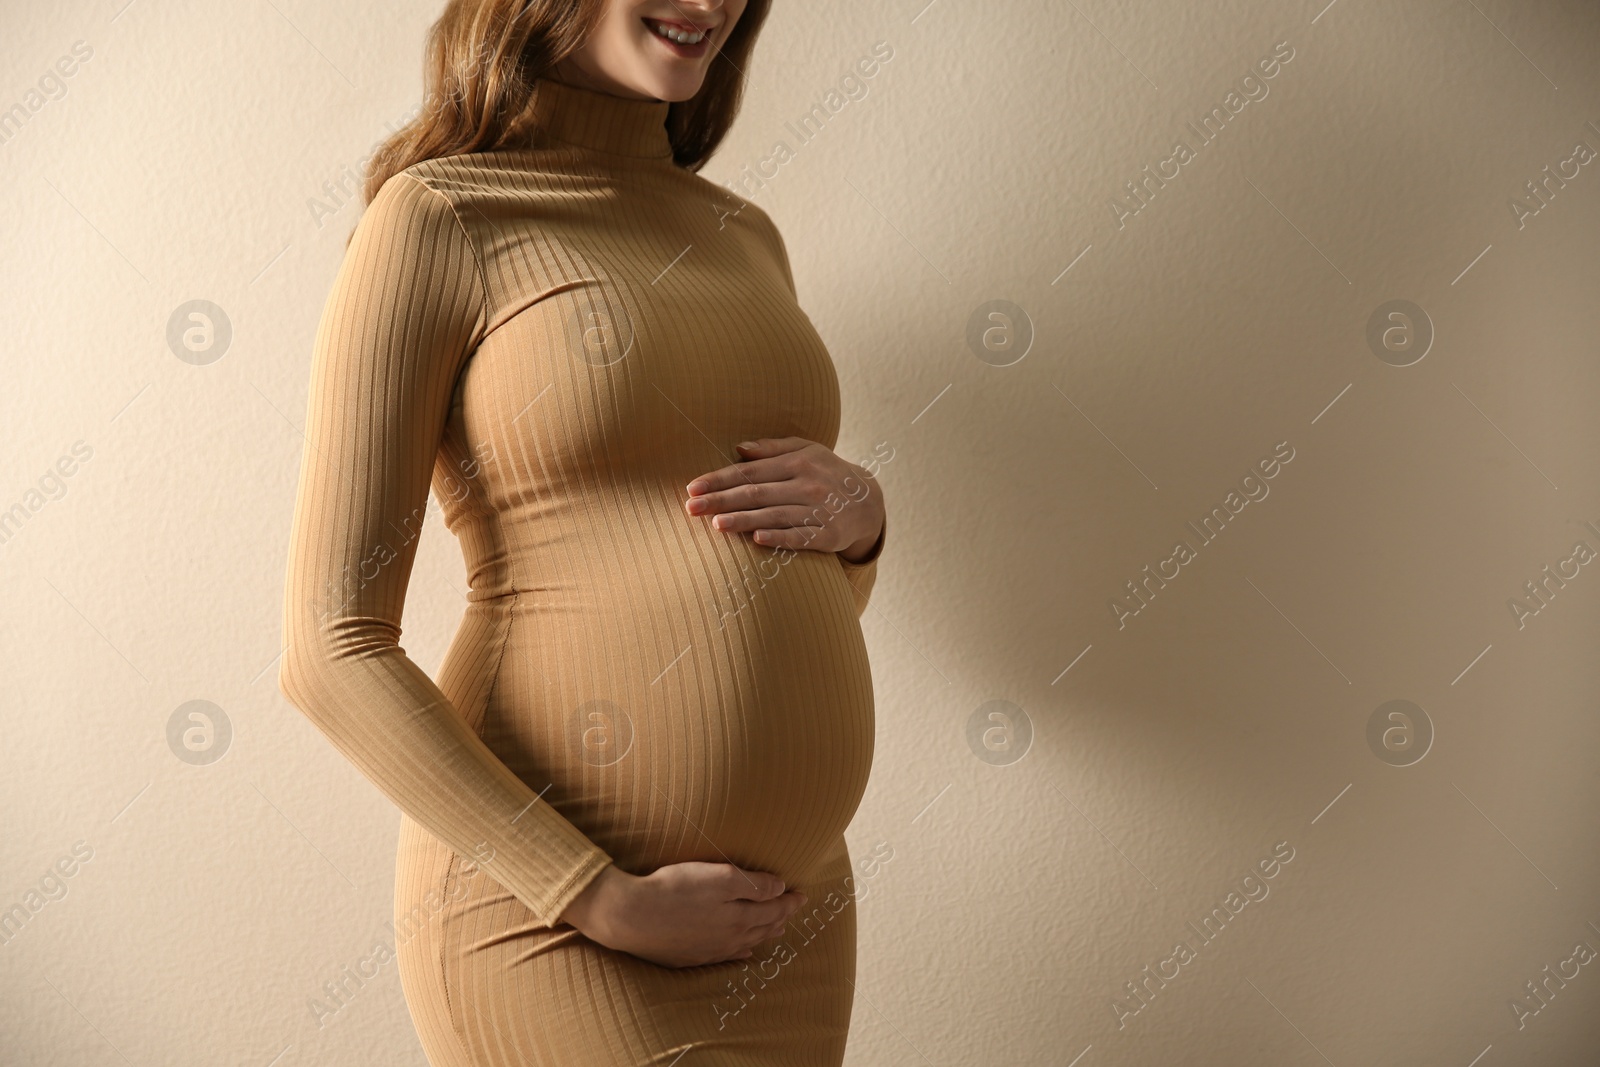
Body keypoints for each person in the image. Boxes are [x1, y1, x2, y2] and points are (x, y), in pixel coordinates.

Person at [277, 1, 888, 1062]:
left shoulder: (743, 235)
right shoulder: (438, 218)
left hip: (790, 917)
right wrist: (595, 895)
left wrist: (860, 527)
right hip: (550, 916)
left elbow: (781, 590)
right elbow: (329, 647)